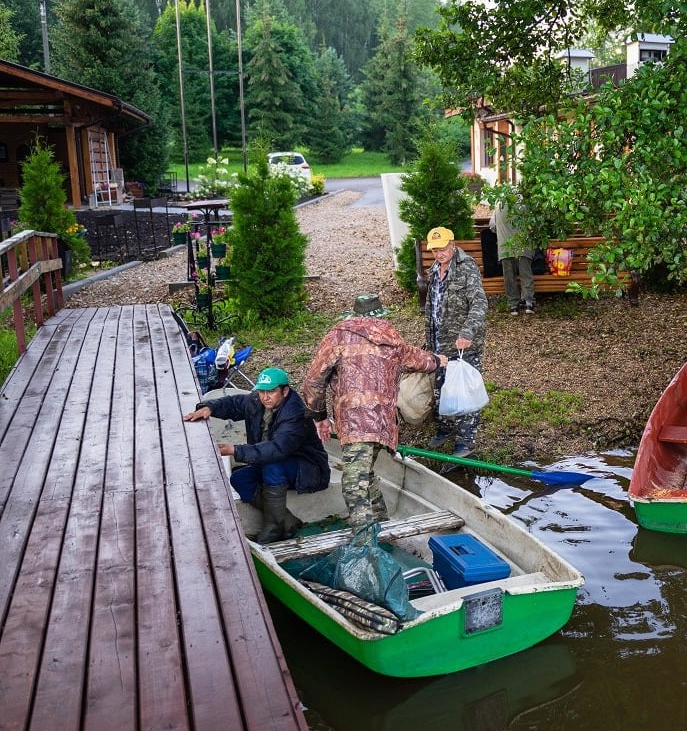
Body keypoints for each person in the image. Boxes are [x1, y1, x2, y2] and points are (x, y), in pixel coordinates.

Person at [300, 294, 448, 528]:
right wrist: (438, 360)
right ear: (379, 315)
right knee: (364, 472)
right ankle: (380, 520)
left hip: (354, 422)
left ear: (354, 314)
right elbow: (417, 359)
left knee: (353, 484)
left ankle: (365, 543)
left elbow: (314, 381)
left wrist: (319, 416)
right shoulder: (391, 337)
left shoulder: (337, 336)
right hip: (383, 423)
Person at [183, 367, 330, 543]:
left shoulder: (296, 413)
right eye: (261, 391)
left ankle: (274, 527)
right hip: (275, 464)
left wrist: (235, 450)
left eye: (271, 391)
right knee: (239, 478)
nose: (265, 396)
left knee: (271, 466)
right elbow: (235, 403)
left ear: (285, 391)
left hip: (308, 469)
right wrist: (210, 407)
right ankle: (288, 521)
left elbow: (277, 449)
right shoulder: (257, 401)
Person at [423, 226, 488, 457]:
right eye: (434, 250)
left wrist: (467, 333)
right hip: (440, 343)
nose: (438, 254)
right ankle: (446, 429)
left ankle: (466, 442)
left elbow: (479, 304)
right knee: (442, 389)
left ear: (452, 245)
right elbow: (432, 308)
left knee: (464, 392)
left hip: (463, 345)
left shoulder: (466, 266)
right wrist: (429, 341)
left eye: (442, 249)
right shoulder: (433, 270)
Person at [490, 195, 536, 315]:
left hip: (505, 248)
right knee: (526, 274)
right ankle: (528, 302)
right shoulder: (526, 205)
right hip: (523, 247)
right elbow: (534, 225)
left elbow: (492, 226)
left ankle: (513, 305)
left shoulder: (498, 204)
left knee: (509, 277)